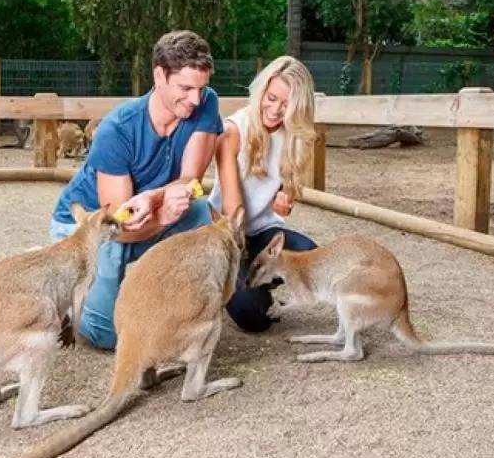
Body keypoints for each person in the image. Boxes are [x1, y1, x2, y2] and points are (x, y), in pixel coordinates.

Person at [48, 30, 225, 350]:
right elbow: (115, 226)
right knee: (107, 335)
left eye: (200, 88)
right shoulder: (117, 129)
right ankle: (64, 289)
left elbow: (191, 181)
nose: (195, 99)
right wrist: (162, 218)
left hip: (142, 212)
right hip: (94, 225)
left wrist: (154, 198)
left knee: (200, 213)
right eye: (185, 88)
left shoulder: (206, 101)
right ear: (159, 75)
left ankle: (174, 306)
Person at [207, 55, 321, 333]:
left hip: (263, 231)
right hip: (232, 235)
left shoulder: (292, 135)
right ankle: (233, 284)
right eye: (270, 98)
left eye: (285, 105)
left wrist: (285, 196)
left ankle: (260, 282)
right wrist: (241, 259)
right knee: (254, 319)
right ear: (260, 91)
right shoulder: (233, 131)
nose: (274, 110)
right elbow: (233, 212)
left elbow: (286, 190)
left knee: (312, 259)